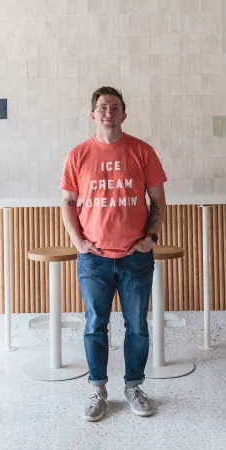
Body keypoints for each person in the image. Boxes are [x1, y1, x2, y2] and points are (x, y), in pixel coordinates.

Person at [60, 86, 167, 422]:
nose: (109, 112)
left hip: (136, 255)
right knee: (95, 325)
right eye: (103, 107)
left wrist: (150, 237)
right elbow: (67, 202)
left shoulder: (142, 151)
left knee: (137, 325)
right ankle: (98, 390)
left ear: (124, 114)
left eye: (115, 107)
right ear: (93, 114)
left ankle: (134, 386)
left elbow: (158, 201)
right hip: (93, 257)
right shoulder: (77, 155)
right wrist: (78, 241)